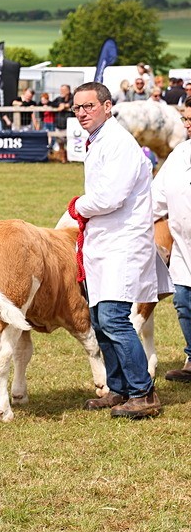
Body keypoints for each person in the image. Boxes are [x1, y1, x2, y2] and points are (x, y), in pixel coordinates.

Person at [70, 82, 166, 418]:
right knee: (99, 318)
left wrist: (77, 205)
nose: (82, 113)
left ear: (107, 106)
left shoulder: (118, 143)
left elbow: (110, 198)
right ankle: (119, 388)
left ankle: (143, 392)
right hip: (106, 241)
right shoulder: (98, 141)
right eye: (77, 108)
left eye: (89, 106)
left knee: (113, 317)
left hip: (124, 241)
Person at [155, 111, 191, 383]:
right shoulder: (179, 155)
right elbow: (157, 198)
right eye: (185, 118)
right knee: (183, 301)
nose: (187, 124)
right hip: (183, 246)